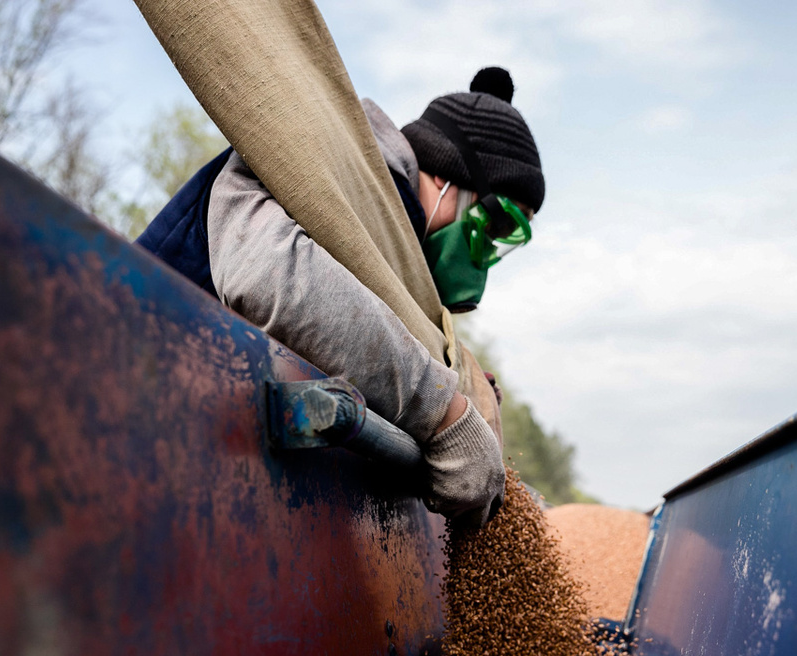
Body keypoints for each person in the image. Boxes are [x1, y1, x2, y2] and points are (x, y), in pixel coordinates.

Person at [136, 67, 544, 527]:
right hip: (137, 412)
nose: (487, 249)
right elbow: (267, 274)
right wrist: (442, 410)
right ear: (445, 178)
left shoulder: (399, 262)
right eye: (494, 225)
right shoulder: (323, 158)